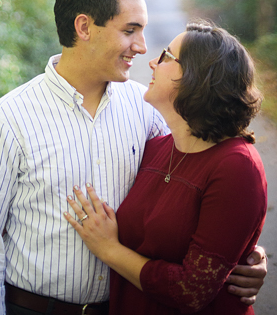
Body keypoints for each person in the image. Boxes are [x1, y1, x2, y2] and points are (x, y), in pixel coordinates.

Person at [0, 0, 267, 315]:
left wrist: (245, 256)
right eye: (130, 30)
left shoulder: (148, 110)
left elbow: (201, 190)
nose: (141, 47)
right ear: (84, 27)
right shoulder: (9, 119)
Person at [64, 22, 266, 315]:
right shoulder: (156, 148)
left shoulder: (237, 166)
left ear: (198, 77)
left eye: (166, 57)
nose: (152, 62)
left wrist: (108, 249)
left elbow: (192, 291)